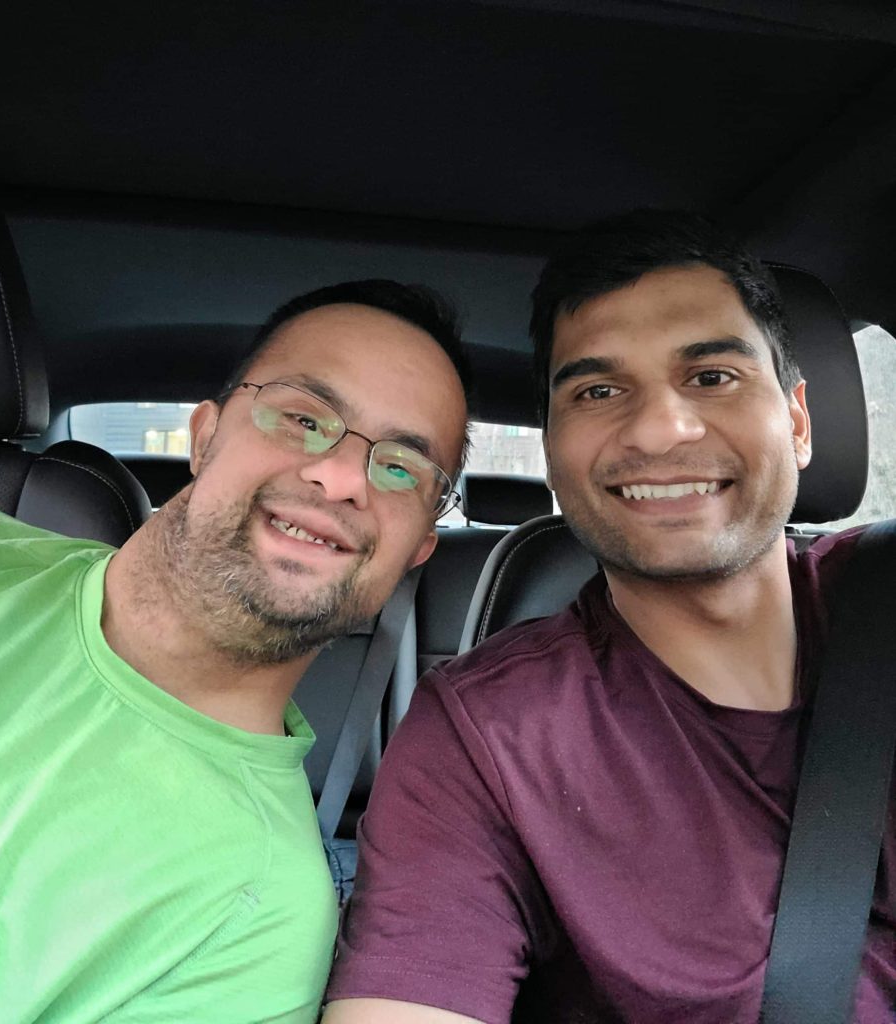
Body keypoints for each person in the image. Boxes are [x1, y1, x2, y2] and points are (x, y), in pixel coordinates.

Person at [323, 212, 896, 1022]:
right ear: (555, 448)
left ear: (797, 422)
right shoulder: (489, 735)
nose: (661, 428)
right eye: (598, 390)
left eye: (711, 377)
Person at [0, 279, 469, 1024]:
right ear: (204, 437)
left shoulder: (257, 920)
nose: (338, 477)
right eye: (302, 418)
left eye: (399, 467)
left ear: (418, 547)